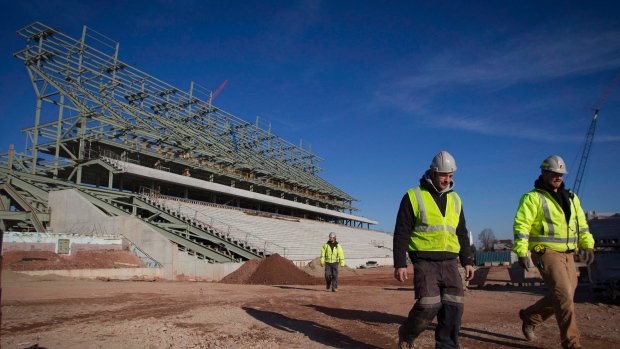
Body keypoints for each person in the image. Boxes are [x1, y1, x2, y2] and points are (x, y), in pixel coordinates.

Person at [393, 151, 474, 349]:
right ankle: (407, 333)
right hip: (424, 261)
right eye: (443, 175)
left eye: (451, 176)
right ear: (433, 172)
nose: (447, 180)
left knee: (453, 308)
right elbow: (401, 231)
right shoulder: (413, 196)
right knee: (428, 306)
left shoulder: (456, 199)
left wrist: (468, 260)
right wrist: (400, 263)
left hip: (450, 263)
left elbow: (461, 232)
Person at [513, 155, 595, 349]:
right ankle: (571, 343)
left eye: (560, 174)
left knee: (565, 294)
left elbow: (581, 225)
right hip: (544, 251)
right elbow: (522, 226)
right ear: (544, 173)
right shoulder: (532, 198)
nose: (558, 177)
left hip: (568, 253)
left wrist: (588, 244)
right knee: (564, 295)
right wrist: (522, 252)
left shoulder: (572, 198)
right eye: (554, 173)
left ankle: (530, 316)